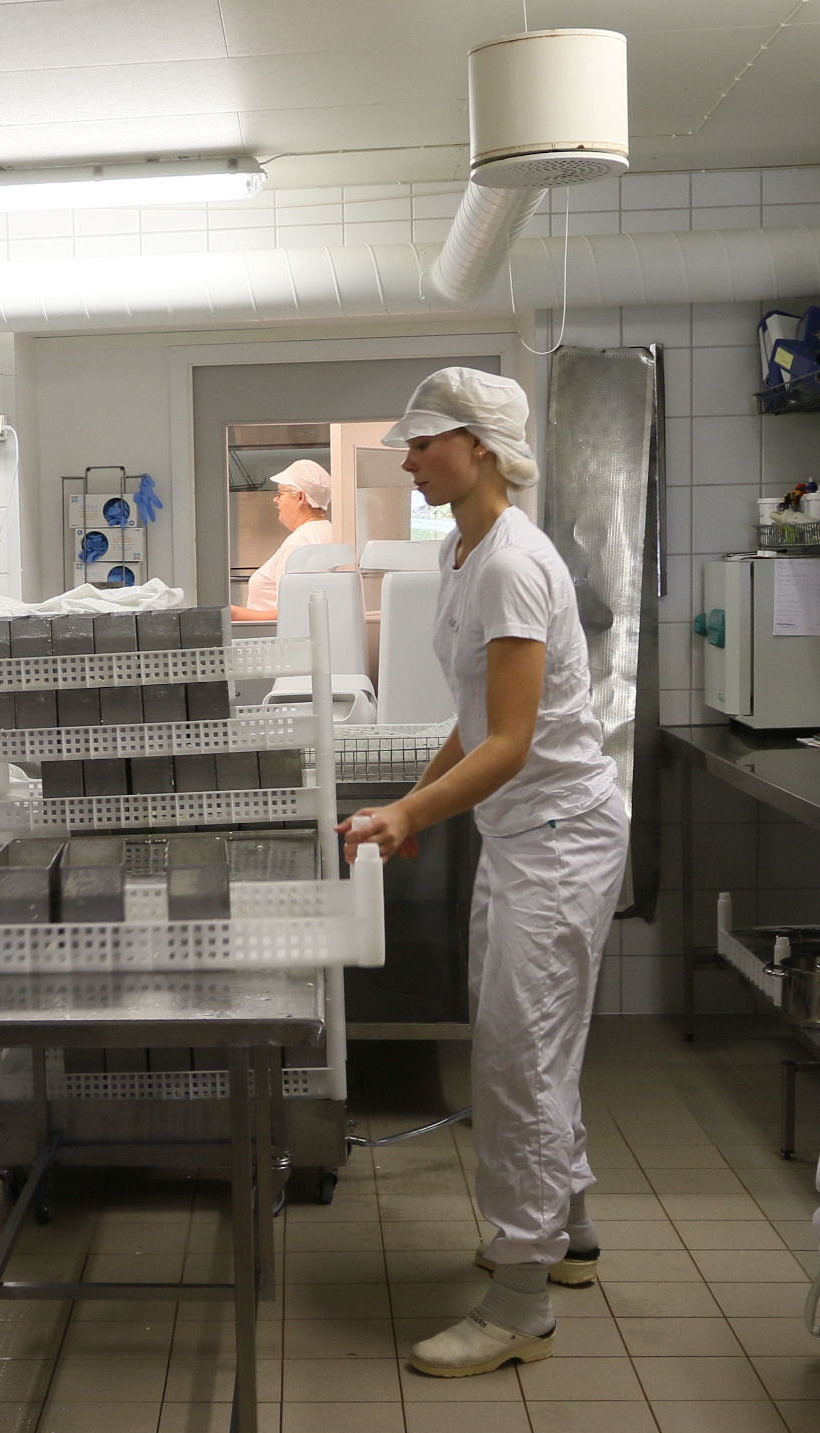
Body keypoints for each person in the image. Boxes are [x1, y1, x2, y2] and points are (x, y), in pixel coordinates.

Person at [339, 367, 627, 1379]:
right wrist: (416, 804)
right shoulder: (464, 551)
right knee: (529, 1036)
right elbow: (472, 714)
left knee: (516, 1057)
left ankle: (519, 1300)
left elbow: (506, 742)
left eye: (422, 442)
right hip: (522, 832)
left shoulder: (510, 561)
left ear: (480, 447)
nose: (407, 458)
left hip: (554, 832)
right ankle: (570, 1230)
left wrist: (410, 811)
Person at [232, 458, 336, 619]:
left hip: (280, 641)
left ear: (300, 497)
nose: (275, 499)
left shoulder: (298, 545)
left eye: (280, 493)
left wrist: (236, 614)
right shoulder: (330, 532)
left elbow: (292, 614)